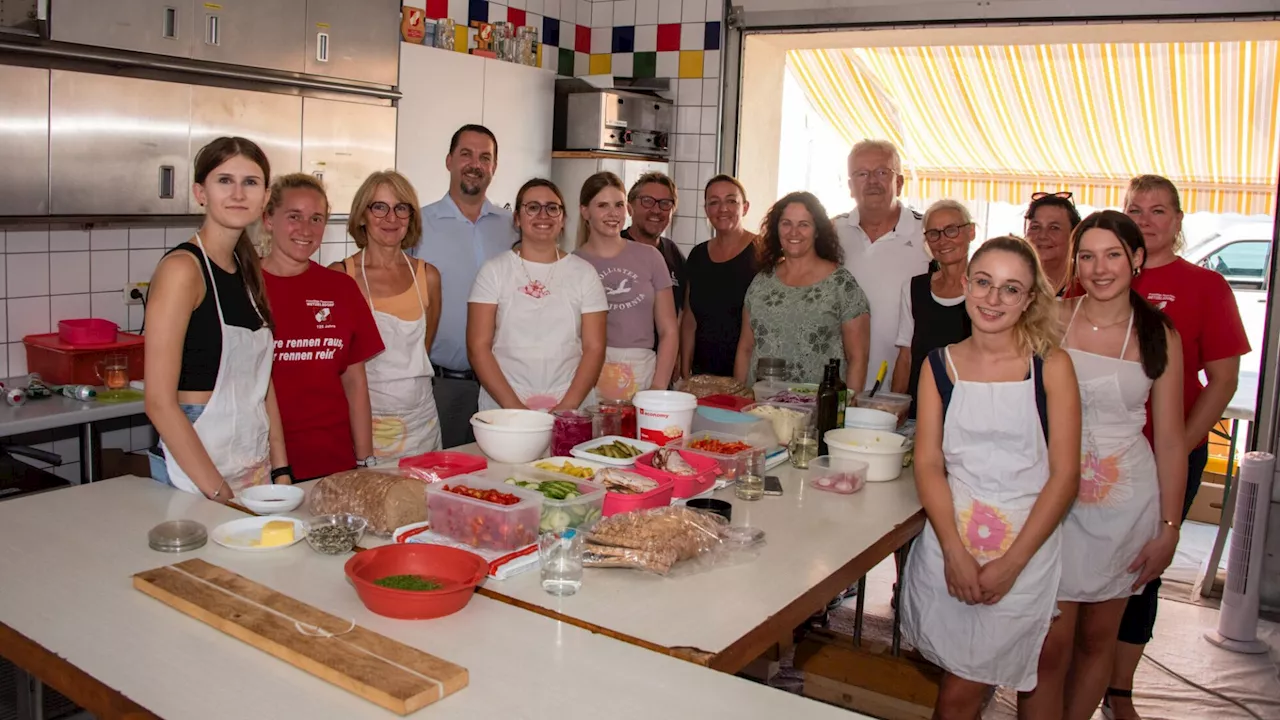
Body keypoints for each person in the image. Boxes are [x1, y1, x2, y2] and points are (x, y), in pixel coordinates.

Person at [902, 236, 1081, 718]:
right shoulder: (940, 365)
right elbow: (928, 463)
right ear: (965, 284)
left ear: (1029, 300)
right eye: (983, 283)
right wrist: (954, 552)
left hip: (1025, 544)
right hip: (952, 539)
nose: (993, 299)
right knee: (959, 677)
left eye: (1010, 289)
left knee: (963, 692)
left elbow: (1065, 476)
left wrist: (1013, 563)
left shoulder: (1051, 367)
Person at [1022, 211, 1185, 720]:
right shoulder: (1050, 318)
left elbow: (1173, 441)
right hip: (1052, 499)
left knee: (1097, 641)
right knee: (1049, 644)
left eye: (1112, 254)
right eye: (1087, 256)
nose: (1099, 268)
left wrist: (1169, 527)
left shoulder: (1161, 335)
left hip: (1123, 506)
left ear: (1136, 259)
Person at [1103, 175, 1249, 720]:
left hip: (1166, 457)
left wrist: (1176, 449)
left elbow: (1224, 381)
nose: (1146, 219)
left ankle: (1119, 689)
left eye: (1158, 210)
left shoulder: (1206, 287)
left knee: (1142, 574)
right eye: (1135, 209)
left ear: (1179, 220)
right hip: (1095, 460)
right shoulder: (1097, 275)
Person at [144, 137, 290, 500]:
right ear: (200, 192)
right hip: (199, 454)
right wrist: (220, 494)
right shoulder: (182, 269)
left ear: (265, 196)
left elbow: (261, 380)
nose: (238, 193)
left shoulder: (246, 266)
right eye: (224, 180)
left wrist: (281, 468)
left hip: (250, 455)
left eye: (250, 182)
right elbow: (159, 403)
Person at [261, 174, 384, 481]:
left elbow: (355, 384)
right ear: (268, 219)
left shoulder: (340, 288)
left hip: (333, 460)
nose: (306, 229)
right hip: (262, 465)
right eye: (294, 217)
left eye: (316, 218)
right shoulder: (245, 288)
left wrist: (365, 461)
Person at [412, 124, 516, 448]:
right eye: (466, 154)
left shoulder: (512, 228)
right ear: (449, 161)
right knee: (441, 482)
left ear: (494, 167)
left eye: (485, 157)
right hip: (442, 385)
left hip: (506, 383)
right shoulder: (417, 225)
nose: (476, 164)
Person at [468, 178, 608, 410]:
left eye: (552, 208)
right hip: (504, 405)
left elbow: (595, 348)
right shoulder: (494, 271)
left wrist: (566, 408)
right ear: (517, 218)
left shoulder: (584, 274)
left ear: (562, 219)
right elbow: (478, 347)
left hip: (571, 403)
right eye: (532, 207)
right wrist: (515, 409)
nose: (543, 215)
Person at [335, 171, 443, 461]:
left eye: (401, 208)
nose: (391, 218)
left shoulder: (428, 276)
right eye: (379, 207)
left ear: (411, 217)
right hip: (364, 426)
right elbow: (337, 366)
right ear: (362, 215)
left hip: (421, 423)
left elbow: (423, 349)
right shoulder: (340, 277)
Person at [734, 191, 870, 387]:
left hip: (818, 411)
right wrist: (739, 402)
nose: (793, 232)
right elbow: (746, 348)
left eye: (803, 225)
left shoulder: (841, 284)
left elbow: (858, 357)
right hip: (761, 409)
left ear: (817, 231)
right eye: (786, 223)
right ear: (776, 228)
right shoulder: (761, 282)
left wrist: (845, 411)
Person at [576, 171, 679, 400]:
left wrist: (658, 387)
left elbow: (669, 330)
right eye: (602, 205)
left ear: (627, 210)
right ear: (585, 211)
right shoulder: (573, 263)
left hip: (642, 373)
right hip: (589, 374)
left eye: (619, 205)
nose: (613, 213)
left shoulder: (651, 257)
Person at [836, 139, 929, 390]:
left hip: (906, 383)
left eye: (882, 172)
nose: (872, 181)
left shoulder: (927, 234)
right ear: (850, 185)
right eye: (862, 174)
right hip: (840, 383)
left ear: (899, 182)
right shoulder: (832, 232)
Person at [891, 200, 975, 417]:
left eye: (951, 230)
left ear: (971, 232)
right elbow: (905, 356)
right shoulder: (913, 288)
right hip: (920, 410)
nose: (943, 240)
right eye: (934, 233)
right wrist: (894, 409)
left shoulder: (986, 289)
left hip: (969, 411)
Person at [681, 175, 761, 378]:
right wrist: (685, 367)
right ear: (706, 210)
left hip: (750, 376)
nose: (722, 209)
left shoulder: (764, 252)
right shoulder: (697, 255)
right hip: (703, 375)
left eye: (731, 201)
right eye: (714, 202)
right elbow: (690, 319)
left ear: (745, 207)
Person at [622, 172, 686, 318]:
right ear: (630, 207)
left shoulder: (673, 253)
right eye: (647, 201)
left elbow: (684, 311)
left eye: (665, 203)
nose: (656, 210)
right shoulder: (612, 249)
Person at [1025, 191, 1083, 296]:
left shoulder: (1087, 286)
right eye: (1035, 227)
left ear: (1073, 235)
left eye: (1054, 228)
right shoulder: (1014, 281)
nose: (1042, 235)